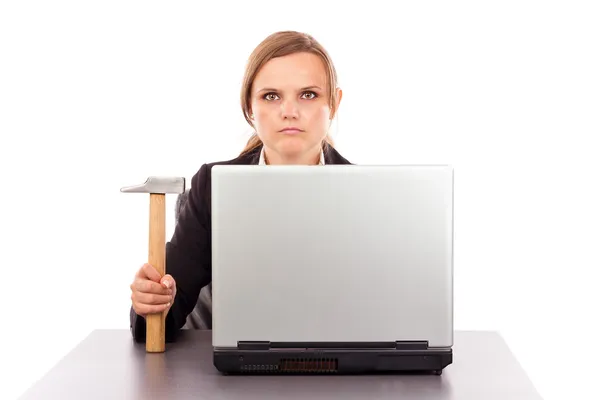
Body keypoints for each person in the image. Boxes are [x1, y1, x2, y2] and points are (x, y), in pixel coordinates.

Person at [129, 30, 353, 342]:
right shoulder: (213, 185)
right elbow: (170, 304)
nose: (289, 110)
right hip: (240, 373)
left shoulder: (363, 194)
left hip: (342, 371)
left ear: (335, 103)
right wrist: (151, 302)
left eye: (308, 94)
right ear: (249, 106)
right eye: (271, 96)